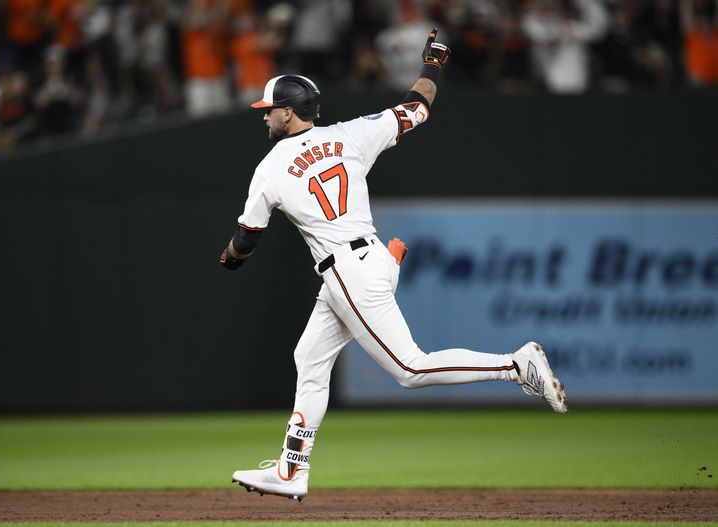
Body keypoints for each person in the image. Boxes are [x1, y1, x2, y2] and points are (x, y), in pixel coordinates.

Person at [220, 29, 568, 502]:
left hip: (349, 273)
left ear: (287, 112)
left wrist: (228, 259)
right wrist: (433, 65)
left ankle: (515, 364)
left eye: (269, 111)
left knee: (410, 368)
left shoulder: (271, 167)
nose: (265, 119)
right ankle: (290, 470)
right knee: (310, 359)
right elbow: (417, 107)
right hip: (370, 260)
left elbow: (245, 242)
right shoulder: (352, 133)